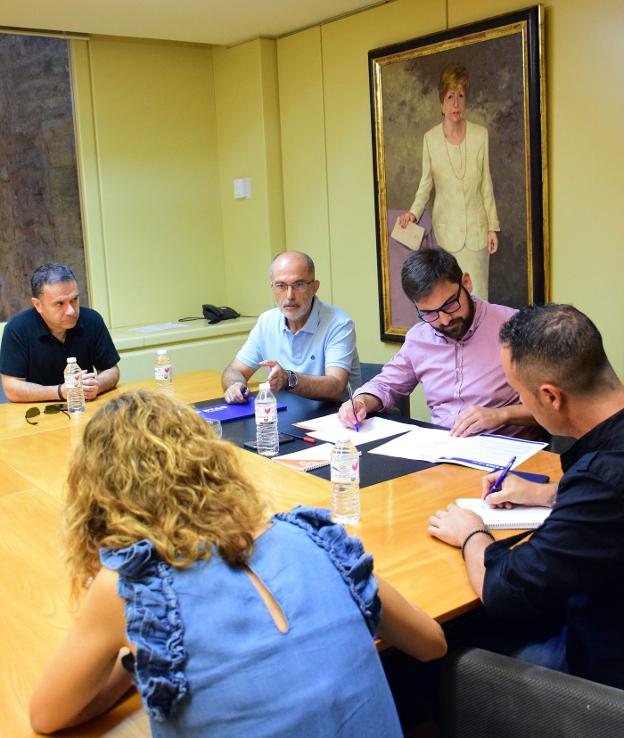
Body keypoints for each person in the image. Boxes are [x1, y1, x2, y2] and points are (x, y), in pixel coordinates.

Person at [29, 390, 446, 736]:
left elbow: (48, 716)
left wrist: (134, 653)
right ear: (211, 461)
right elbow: (431, 644)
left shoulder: (131, 586)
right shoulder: (314, 535)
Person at [428, 304, 624, 689]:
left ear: (551, 397)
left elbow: (505, 592)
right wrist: (548, 493)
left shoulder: (602, 479)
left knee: (445, 658)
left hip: (603, 669)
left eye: (519, 393)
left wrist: (472, 534)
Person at [338, 247, 539, 439]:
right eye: (429, 313)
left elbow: (554, 404)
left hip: (506, 455)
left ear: (466, 283)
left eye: (450, 304)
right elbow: (386, 384)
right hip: (441, 453)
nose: (444, 320)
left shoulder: (515, 327)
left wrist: (501, 415)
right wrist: (361, 401)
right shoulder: (419, 338)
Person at [399, 62, 500, 300]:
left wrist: (492, 227)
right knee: (450, 298)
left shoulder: (480, 135)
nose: (456, 103)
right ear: (441, 103)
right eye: (450, 96)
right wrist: (413, 214)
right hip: (447, 235)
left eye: (461, 96)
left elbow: (486, 183)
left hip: (477, 233)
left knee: (479, 297)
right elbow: (426, 185)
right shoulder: (430, 139)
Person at [222, 251, 361, 403]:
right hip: (283, 417)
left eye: (299, 285)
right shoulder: (267, 321)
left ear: (315, 287)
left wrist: (289, 379)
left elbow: (335, 387)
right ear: (272, 287)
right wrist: (235, 385)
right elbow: (234, 370)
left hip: (335, 418)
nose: (289, 296)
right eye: (281, 286)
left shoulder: (339, 323)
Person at [0, 263, 120, 403]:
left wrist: (97, 385)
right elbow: (11, 388)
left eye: (74, 300)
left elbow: (112, 370)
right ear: (38, 305)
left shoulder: (92, 320)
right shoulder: (17, 328)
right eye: (60, 304)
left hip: (82, 407)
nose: (71, 311)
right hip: (36, 413)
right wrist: (60, 392)